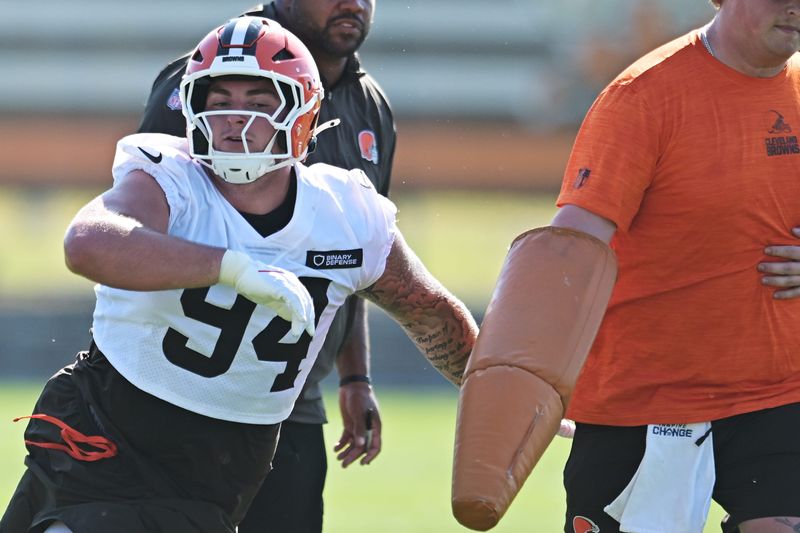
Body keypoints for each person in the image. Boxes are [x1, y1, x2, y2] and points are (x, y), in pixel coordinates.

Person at [0, 16, 477, 533]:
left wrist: (513, 397)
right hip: (107, 427)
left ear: (303, 112)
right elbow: (87, 243)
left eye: (258, 101)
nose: (234, 117)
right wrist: (228, 268)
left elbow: (430, 312)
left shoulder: (346, 213)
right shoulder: (169, 177)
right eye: (220, 99)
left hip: (223, 465)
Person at [452, 1, 800, 532]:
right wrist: (526, 374)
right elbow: (571, 246)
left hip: (776, 398)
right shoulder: (643, 96)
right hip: (642, 405)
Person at [137, 2, 394, 531]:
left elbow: (357, 258)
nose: (352, 3)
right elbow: (141, 231)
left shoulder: (371, 105)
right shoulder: (206, 77)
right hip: (185, 389)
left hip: (291, 395)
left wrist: (356, 375)